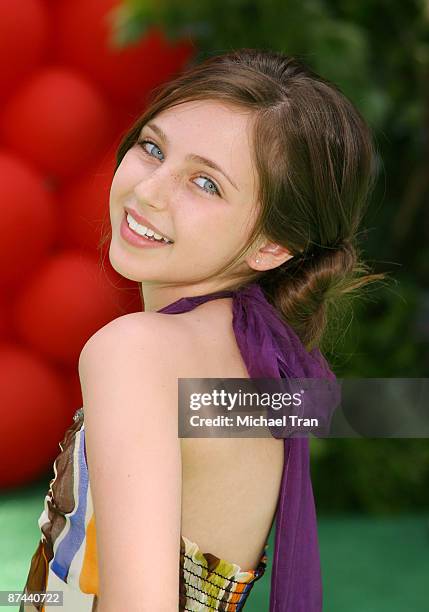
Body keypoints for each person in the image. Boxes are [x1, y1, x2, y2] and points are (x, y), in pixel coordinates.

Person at [20, 48, 384, 611]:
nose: (148, 191)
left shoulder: (135, 354)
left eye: (206, 184)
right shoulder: (254, 358)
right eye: (152, 148)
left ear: (272, 246)